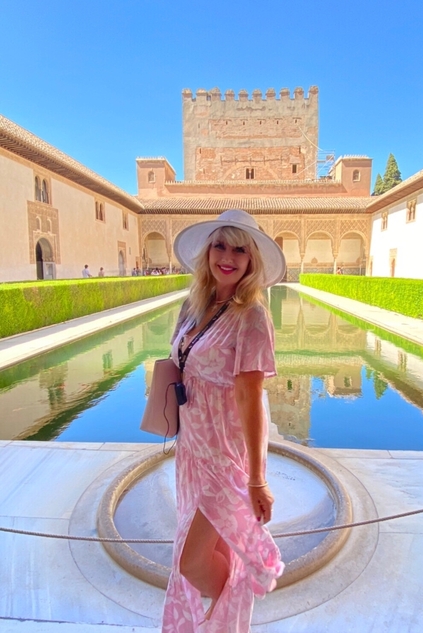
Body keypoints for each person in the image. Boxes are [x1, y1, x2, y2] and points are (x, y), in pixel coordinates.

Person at [162, 209, 286, 633]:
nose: (228, 257)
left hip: (223, 453)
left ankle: (225, 621)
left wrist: (256, 478)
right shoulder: (191, 306)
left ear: (252, 260)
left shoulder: (251, 316)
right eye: (220, 245)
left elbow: (250, 396)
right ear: (207, 252)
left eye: (239, 249)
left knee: (192, 562)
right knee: (199, 554)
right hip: (192, 449)